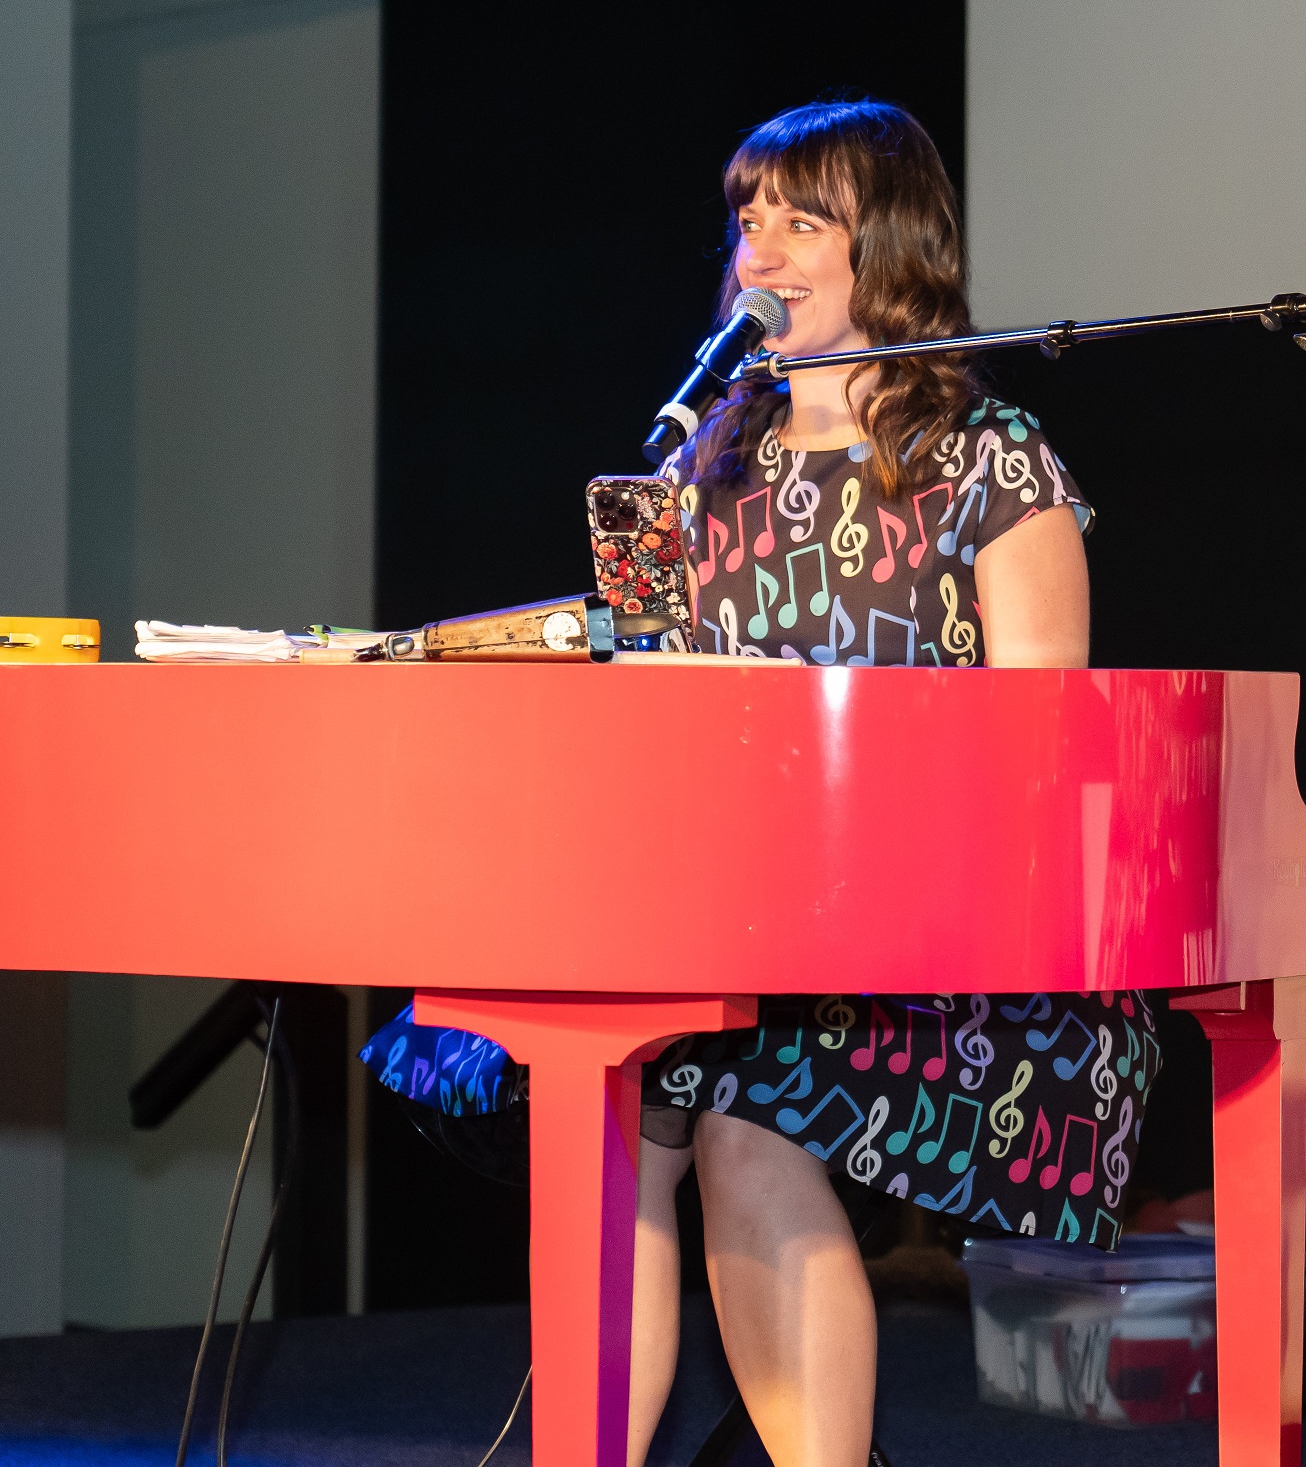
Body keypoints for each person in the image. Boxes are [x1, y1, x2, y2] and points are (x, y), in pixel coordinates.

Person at [364, 99, 1155, 1467]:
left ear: (888, 250)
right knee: (614, 1115)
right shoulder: (699, 459)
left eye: (804, 220)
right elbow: (642, 695)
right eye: (749, 219)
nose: (761, 250)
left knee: (736, 1117)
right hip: (729, 919)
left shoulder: (990, 460)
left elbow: (1048, 746)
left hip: (940, 942)